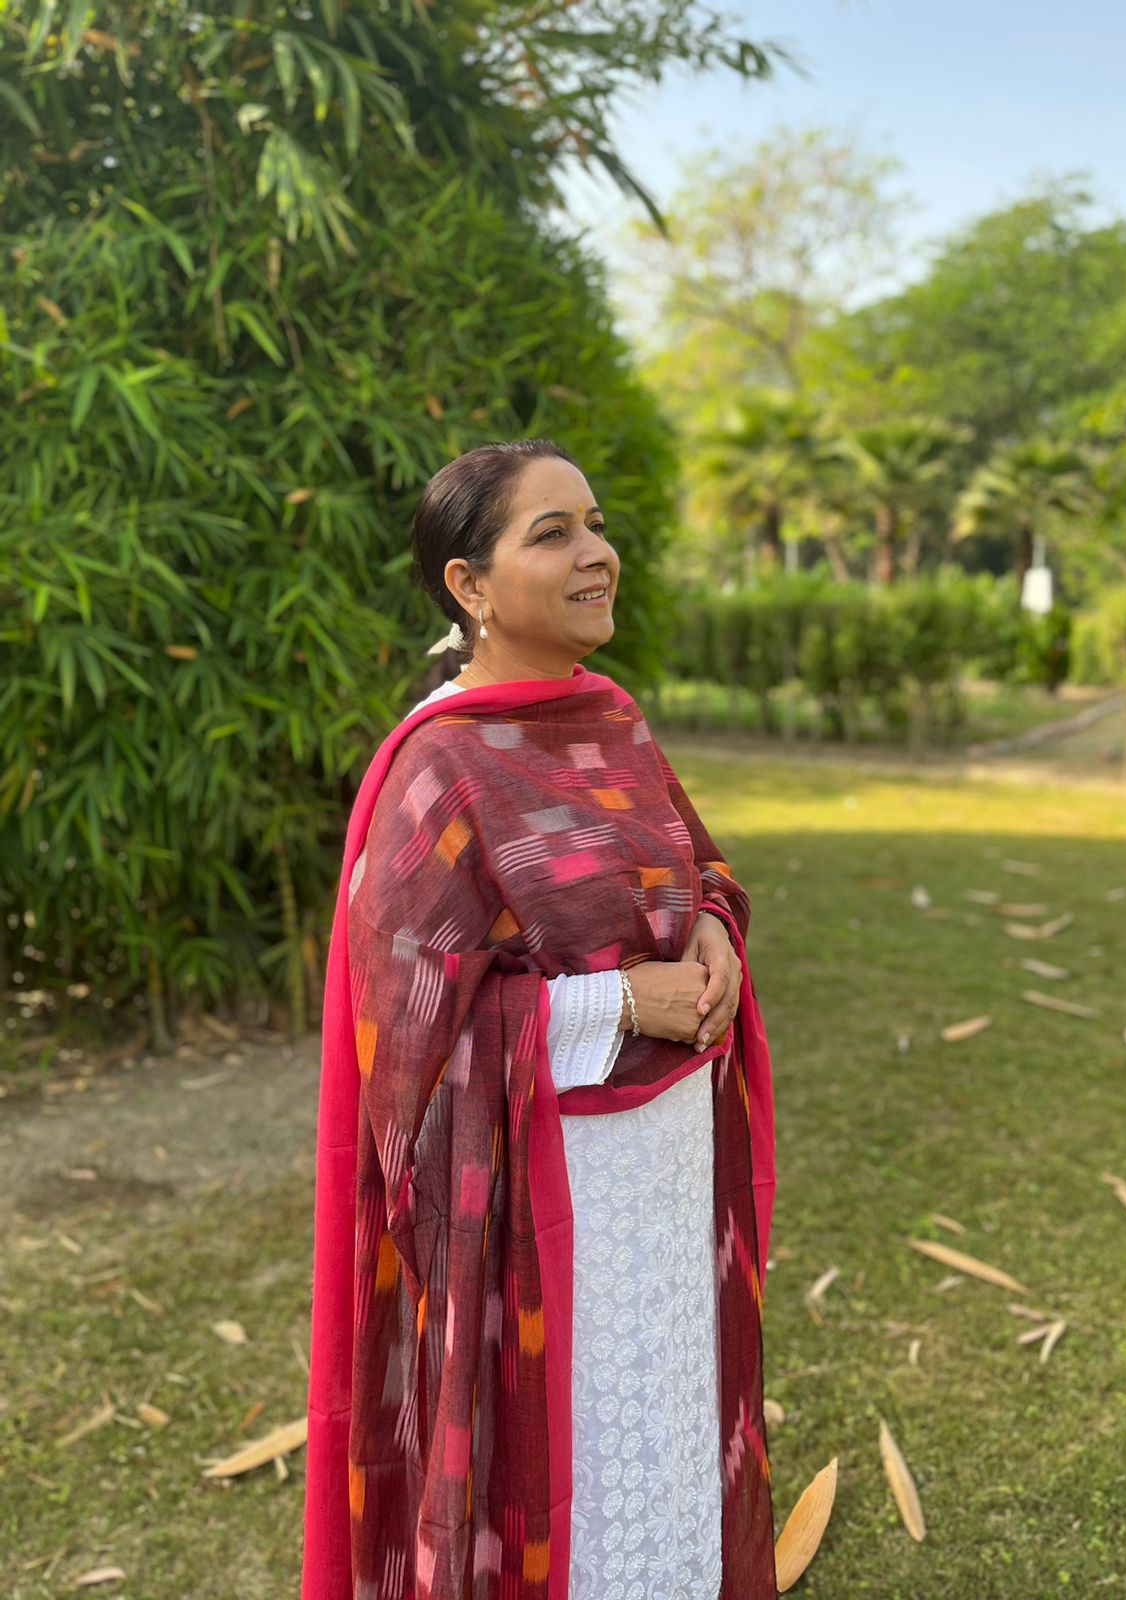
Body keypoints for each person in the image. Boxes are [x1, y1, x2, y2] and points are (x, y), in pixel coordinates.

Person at [303, 439, 777, 1600]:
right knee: (572, 1451)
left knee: (668, 1422)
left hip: (665, 1173)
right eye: (551, 533)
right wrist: (623, 999)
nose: (596, 554)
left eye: (596, 524)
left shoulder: (610, 720)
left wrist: (711, 927)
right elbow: (408, 1016)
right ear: (468, 586)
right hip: (542, 1188)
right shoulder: (440, 764)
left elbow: (692, 865)